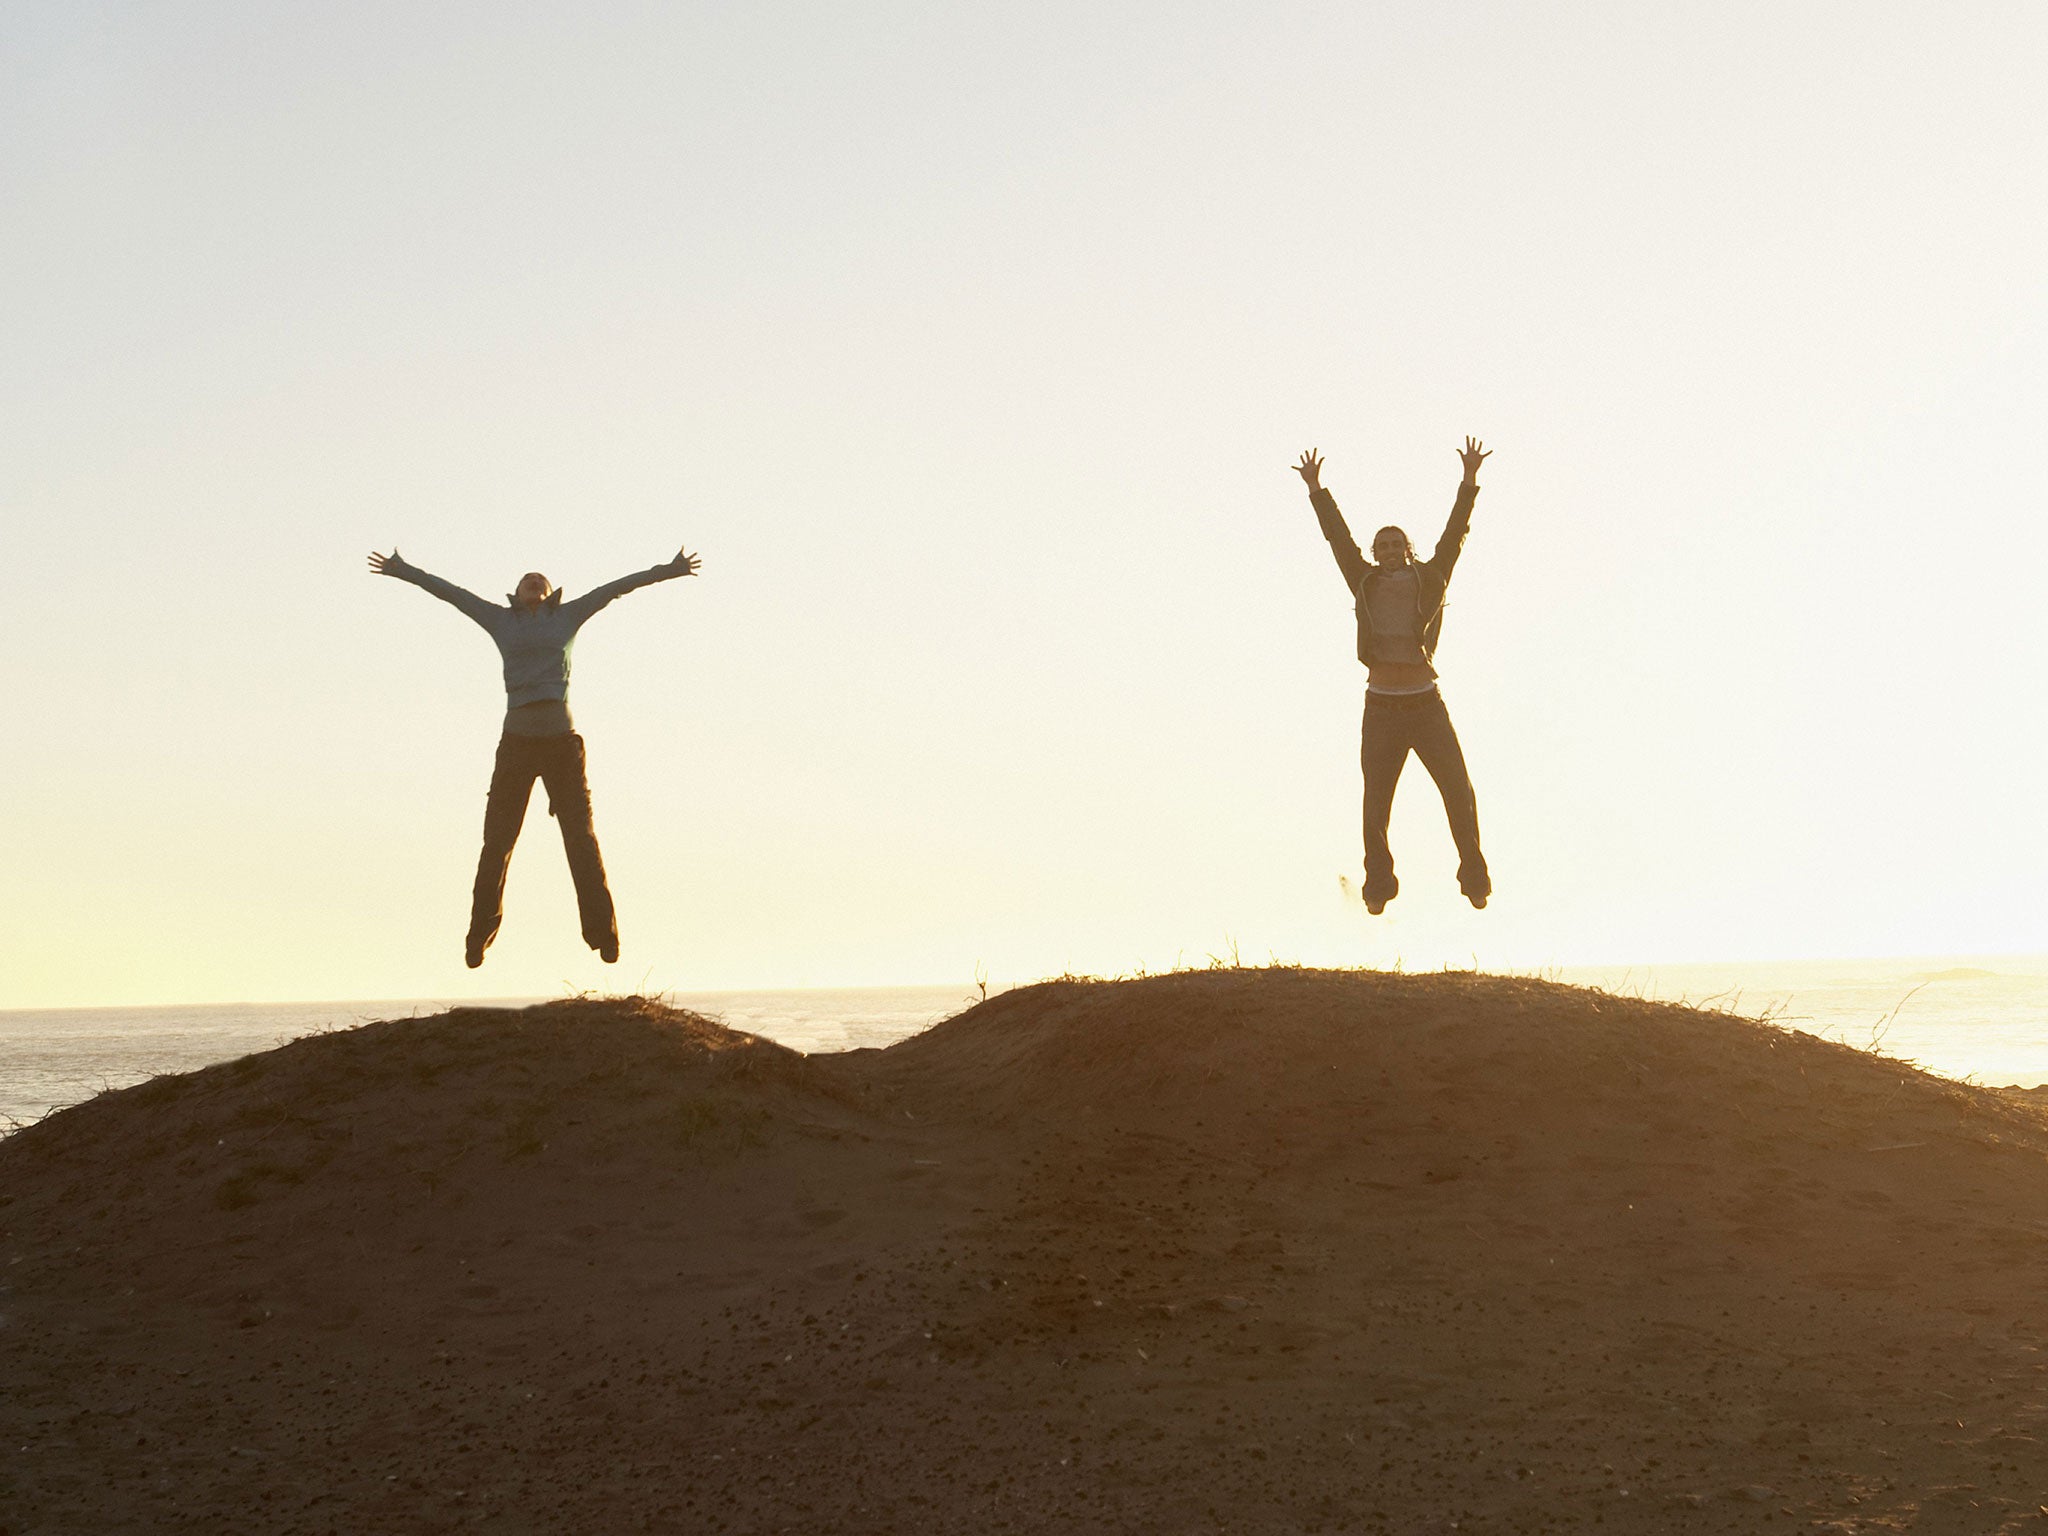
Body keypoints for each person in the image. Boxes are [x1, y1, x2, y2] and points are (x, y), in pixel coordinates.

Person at [368, 545, 701, 967]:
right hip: (517, 745)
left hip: (562, 744)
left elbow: (618, 587)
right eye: (527, 579)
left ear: (551, 592)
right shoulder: (499, 619)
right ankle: (478, 939)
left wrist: (669, 570)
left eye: (540, 580)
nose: (534, 581)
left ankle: (604, 935)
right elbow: (450, 593)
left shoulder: (568, 615)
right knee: (497, 844)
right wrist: (401, 570)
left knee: (580, 840)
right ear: (515, 592)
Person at [1292, 439, 1491, 915]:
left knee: (1458, 792)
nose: (1387, 551)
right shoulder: (1363, 580)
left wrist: (1468, 480)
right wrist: (1317, 488)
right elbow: (1336, 538)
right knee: (1376, 804)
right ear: (1374, 552)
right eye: (1380, 546)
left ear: (1408, 549)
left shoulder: (1432, 577)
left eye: (1395, 544)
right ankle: (1378, 887)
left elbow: (1455, 534)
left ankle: (1475, 880)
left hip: (1425, 703)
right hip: (1381, 706)